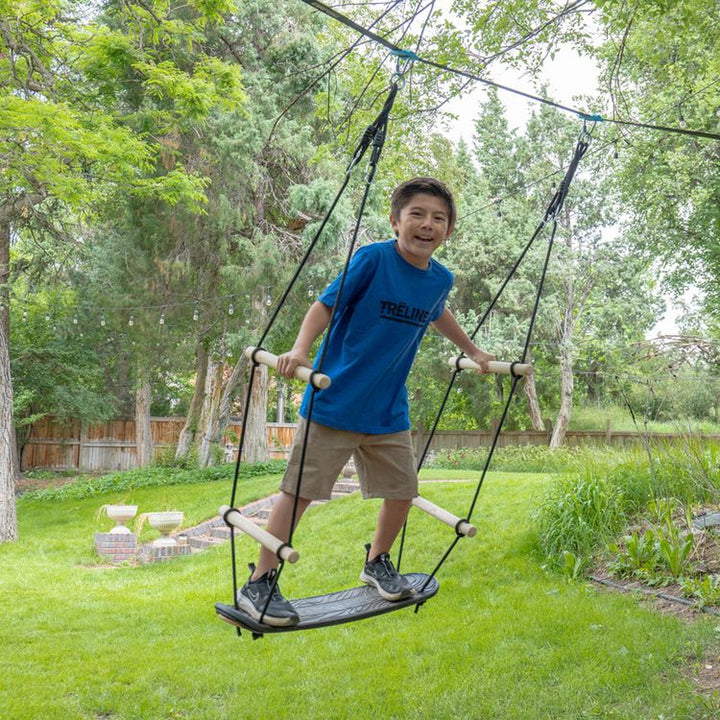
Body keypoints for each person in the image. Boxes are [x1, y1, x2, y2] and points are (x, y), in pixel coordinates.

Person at [237, 177, 495, 626]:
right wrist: (300, 350)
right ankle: (260, 582)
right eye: (417, 214)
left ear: (449, 230)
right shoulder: (373, 259)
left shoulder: (440, 279)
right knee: (299, 494)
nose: (427, 224)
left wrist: (473, 351)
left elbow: (438, 312)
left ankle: (377, 562)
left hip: (388, 409)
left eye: (438, 218)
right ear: (395, 220)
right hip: (334, 402)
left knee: (402, 492)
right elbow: (325, 305)